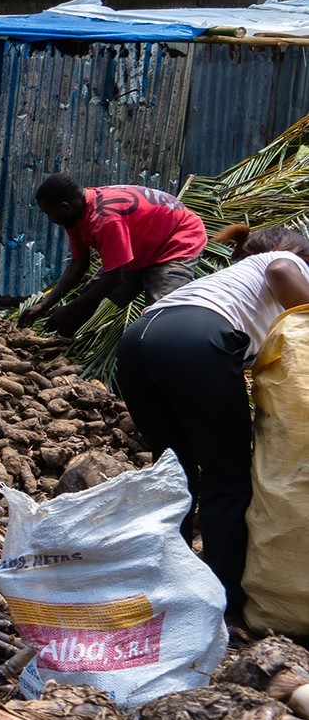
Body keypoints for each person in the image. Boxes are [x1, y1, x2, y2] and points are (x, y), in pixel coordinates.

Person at [116, 224, 309, 617]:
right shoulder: (283, 261)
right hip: (193, 340)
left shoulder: (230, 281)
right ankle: (223, 601)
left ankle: (165, 588)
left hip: (137, 342)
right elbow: (283, 274)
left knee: (174, 470)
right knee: (227, 477)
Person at [18, 175, 208, 336]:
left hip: (175, 241)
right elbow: (78, 262)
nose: (50, 219)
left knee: (161, 314)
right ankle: (62, 345)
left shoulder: (105, 219)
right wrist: (44, 304)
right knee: (86, 299)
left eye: (49, 214)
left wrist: (69, 309)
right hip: (142, 242)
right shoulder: (76, 214)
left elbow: (114, 277)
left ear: (65, 207)